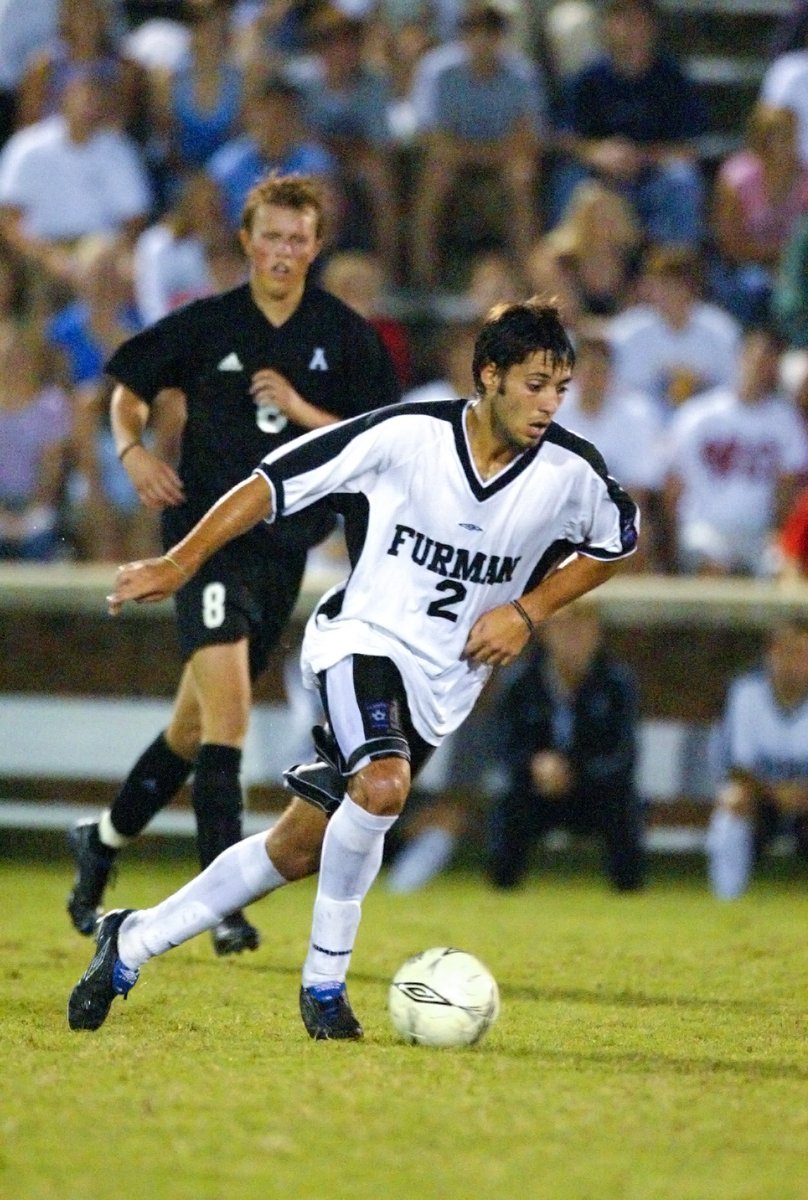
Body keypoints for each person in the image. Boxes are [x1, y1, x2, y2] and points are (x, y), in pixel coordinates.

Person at [66, 296, 640, 1039]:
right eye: (535, 384)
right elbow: (271, 483)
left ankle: (130, 940)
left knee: (298, 847)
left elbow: (619, 543)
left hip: (442, 683)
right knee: (384, 782)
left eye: (559, 387)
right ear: (489, 376)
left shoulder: (569, 472)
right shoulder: (409, 435)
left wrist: (528, 610)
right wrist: (180, 562)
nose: (549, 403)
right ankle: (325, 991)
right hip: (360, 641)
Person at [65, 172, 401, 956]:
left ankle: (104, 841)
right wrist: (132, 448)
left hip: (281, 553)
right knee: (230, 720)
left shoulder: (345, 335)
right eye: (271, 236)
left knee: (191, 727)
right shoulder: (207, 323)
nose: (284, 251)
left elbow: (383, 438)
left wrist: (304, 408)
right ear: (247, 241)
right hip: (204, 546)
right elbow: (126, 386)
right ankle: (224, 907)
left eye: (298, 238)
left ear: (317, 246)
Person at [486, 600, 645, 892]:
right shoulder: (520, 681)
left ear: (597, 633)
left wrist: (574, 771)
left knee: (624, 805)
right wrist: (534, 765)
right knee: (508, 803)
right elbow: (503, 745)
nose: (574, 634)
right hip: (535, 789)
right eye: (565, 625)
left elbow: (624, 753)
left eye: (584, 625)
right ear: (545, 632)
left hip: (594, 790)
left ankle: (629, 893)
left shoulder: (617, 683)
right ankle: (502, 891)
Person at [551, 0, 708, 247]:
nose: (630, 28)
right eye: (621, 18)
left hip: (652, 179)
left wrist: (640, 157)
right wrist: (598, 153)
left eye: (637, 19)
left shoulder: (672, 79)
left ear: (653, 25)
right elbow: (564, 138)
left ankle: (676, 269)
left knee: (683, 180)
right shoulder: (589, 78)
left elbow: (688, 147)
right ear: (607, 27)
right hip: (599, 180)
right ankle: (564, 265)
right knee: (568, 179)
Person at [662, 323, 808, 576]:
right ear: (741, 356)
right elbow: (674, 486)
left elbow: (786, 491)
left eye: (770, 359)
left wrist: (779, 537)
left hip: (759, 534)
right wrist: (671, 548)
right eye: (757, 356)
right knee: (711, 564)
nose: (761, 366)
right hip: (705, 527)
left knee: (785, 571)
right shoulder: (699, 415)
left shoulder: (786, 421)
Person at [706, 618, 808, 899]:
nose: (794, 663)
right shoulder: (746, 692)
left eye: (802, 654)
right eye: (786, 652)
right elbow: (738, 767)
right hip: (761, 800)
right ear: (770, 654)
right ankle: (727, 897)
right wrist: (776, 793)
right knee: (732, 803)